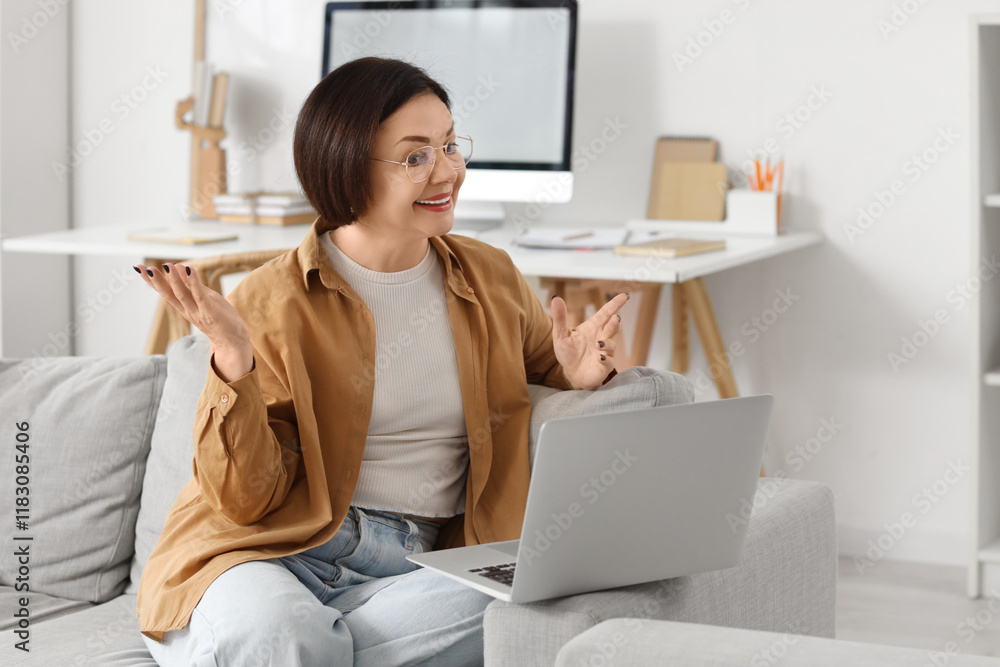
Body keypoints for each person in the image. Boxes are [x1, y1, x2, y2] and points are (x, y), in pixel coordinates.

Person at [134, 56, 628, 666]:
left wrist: (576, 375)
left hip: (420, 561)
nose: (448, 171)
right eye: (416, 156)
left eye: (450, 145)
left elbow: (533, 366)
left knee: (543, 599)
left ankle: (302, 649)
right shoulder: (272, 300)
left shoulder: (490, 275)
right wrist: (233, 361)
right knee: (281, 633)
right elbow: (245, 501)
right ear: (346, 167)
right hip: (272, 548)